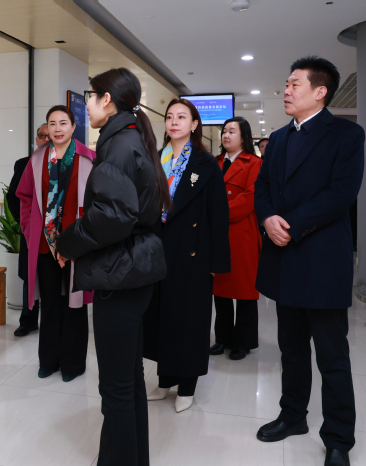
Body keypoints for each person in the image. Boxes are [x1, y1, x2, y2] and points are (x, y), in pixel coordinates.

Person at [57, 68, 171, 466]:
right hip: (134, 270)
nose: (87, 105)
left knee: (117, 388)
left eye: (90, 97)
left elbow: (112, 216)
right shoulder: (133, 137)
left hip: (119, 274)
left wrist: (66, 242)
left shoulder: (118, 145)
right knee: (130, 381)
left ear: (107, 100)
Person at [254, 56, 364, 466]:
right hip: (284, 259)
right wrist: (268, 218)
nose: (286, 90)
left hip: (321, 260)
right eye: (286, 84)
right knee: (292, 349)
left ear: (320, 92)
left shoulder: (347, 135)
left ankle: (338, 438)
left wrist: (291, 225)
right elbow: (263, 186)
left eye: (294, 84)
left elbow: (341, 193)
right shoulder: (280, 138)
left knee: (332, 356)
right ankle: (293, 415)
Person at [144, 98, 230, 413]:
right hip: (158, 249)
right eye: (170, 116)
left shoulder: (206, 164)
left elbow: (218, 214)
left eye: (182, 117)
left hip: (193, 252)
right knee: (162, 317)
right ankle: (165, 379)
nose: (174, 121)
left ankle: (188, 385)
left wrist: (216, 262)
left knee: (189, 320)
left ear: (194, 124)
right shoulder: (156, 158)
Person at [16, 105, 95, 382]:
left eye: (63, 123)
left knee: (75, 305)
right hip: (44, 245)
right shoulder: (37, 159)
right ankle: (48, 360)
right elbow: (25, 197)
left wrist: (84, 238)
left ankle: (73, 363)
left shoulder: (89, 159)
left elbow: (97, 201)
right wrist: (30, 229)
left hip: (77, 245)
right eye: (52, 123)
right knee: (50, 303)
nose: (58, 128)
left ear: (74, 127)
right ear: (47, 129)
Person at [210, 117, 262, 361]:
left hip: (242, 234)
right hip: (217, 234)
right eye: (224, 131)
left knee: (244, 291)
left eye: (232, 131)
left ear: (244, 137)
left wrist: (217, 212)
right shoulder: (215, 162)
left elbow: (250, 198)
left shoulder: (254, 163)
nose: (226, 135)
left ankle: (243, 342)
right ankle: (222, 338)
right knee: (220, 290)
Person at [6, 123, 48, 337]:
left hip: (55, 235)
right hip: (31, 232)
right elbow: (13, 197)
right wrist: (24, 223)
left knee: (51, 278)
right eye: (42, 135)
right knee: (30, 277)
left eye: (50, 135)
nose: (46, 139)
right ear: (36, 139)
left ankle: (51, 322)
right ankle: (28, 321)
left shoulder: (63, 163)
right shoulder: (23, 164)